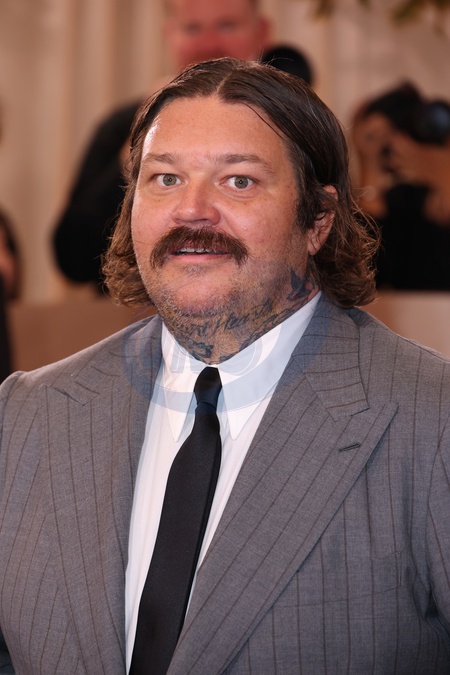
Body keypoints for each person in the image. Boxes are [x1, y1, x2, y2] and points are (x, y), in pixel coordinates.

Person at [0, 58, 449, 674]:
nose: (192, 210)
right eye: (164, 179)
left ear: (318, 220)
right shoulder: (25, 414)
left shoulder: (431, 420)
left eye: (238, 181)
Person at [52, 0, 271, 289]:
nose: (209, 44)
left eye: (227, 25)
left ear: (262, 32)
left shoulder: (293, 124)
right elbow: (74, 258)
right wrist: (140, 143)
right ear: (170, 35)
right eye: (192, 28)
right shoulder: (122, 126)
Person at [351, 82, 450, 290]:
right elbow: (366, 273)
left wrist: (431, 164)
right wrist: (370, 165)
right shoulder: (399, 200)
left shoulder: (425, 196)